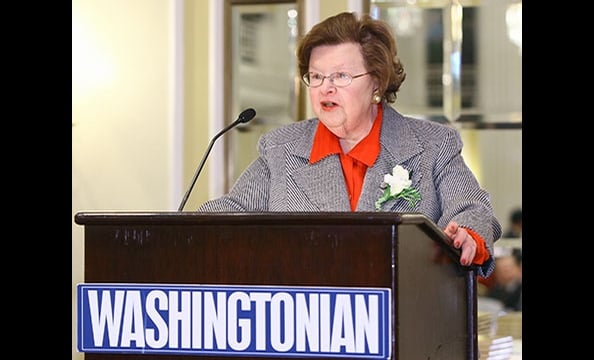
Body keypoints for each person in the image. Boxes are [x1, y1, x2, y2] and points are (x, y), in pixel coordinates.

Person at [198, 11, 501, 277]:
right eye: (315, 76)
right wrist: (181, 232)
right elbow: (229, 214)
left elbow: (473, 209)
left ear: (376, 82)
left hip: (404, 323)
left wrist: (467, 235)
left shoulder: (433, 146)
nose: (324, 88)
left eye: (340, 76)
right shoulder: (280, 149)